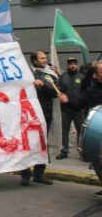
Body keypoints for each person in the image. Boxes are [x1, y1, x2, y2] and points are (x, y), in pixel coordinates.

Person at [59, 61, 102, 198]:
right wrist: (67, 101)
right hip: (98, 130)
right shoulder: (91, 90)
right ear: (96, 75)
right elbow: (78, 105)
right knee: (96, 161)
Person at [20, 50, 58, 186]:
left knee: (42, 145)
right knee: (27, 144)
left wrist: (44, 84)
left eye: (45, 58)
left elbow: (56, 92)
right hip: (28, 116)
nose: (45, 60)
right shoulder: (26, 73)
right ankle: (25, 174)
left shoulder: (50, 74)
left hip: (45, 115)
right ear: (34, 61)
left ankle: (39, 174)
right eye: (42, 58)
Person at [55, 57, 85, 160]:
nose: (72, 65)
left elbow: (85, 92)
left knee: (80, 131)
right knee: (65, 131)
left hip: (78, 109)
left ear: (77, 65)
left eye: (74, 64)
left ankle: (81, 151)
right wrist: (58, 93)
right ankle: (64, 150)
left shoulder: (82, 77)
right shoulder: (63, 76)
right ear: (68, 65)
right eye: (70, 64)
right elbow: (58, 89)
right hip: (65, 109)